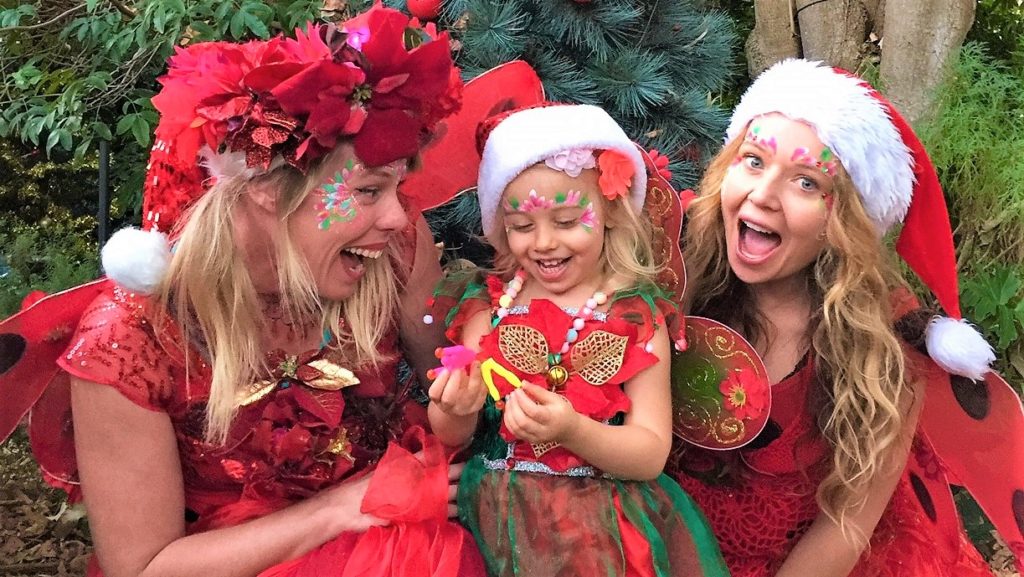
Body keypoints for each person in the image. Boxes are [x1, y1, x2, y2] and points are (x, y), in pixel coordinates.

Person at [0, 7, 488, 577]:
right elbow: (143, 566)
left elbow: (459, 405)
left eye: (398, 187)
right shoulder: (129, 340)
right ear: (266, 191)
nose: (396, 213)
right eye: (368, 190)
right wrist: (339, 510)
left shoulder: (394, 251)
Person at [670, 58, 1024, 577]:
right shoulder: (673, 282)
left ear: (846, 221)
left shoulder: (886, 353)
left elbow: (844, 529)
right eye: (752, 160)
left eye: (807, 183)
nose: (763, 194)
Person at [426, 103, 728, 577]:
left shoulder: (635, 318)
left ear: (610, 210)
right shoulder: (487, 308)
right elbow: (453, 435)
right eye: (522, 226)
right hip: (494, 528)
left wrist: (574, 431)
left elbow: (650, 453)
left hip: (601, 537)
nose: (543, 242)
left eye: (567, 222)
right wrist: (452, 408)